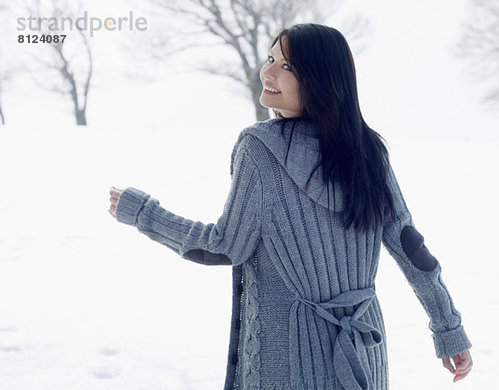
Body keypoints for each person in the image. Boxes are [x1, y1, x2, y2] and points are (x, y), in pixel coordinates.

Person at [108, 23, 472, 389]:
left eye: (286, 66)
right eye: (271, 58)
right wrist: (449, 330)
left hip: (287, 359)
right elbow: (414, 251)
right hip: (363, 354)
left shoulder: (260, 148)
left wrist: (143, 213)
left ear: (322, 80)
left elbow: (223, 246)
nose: (266, 71)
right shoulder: (368, 151)